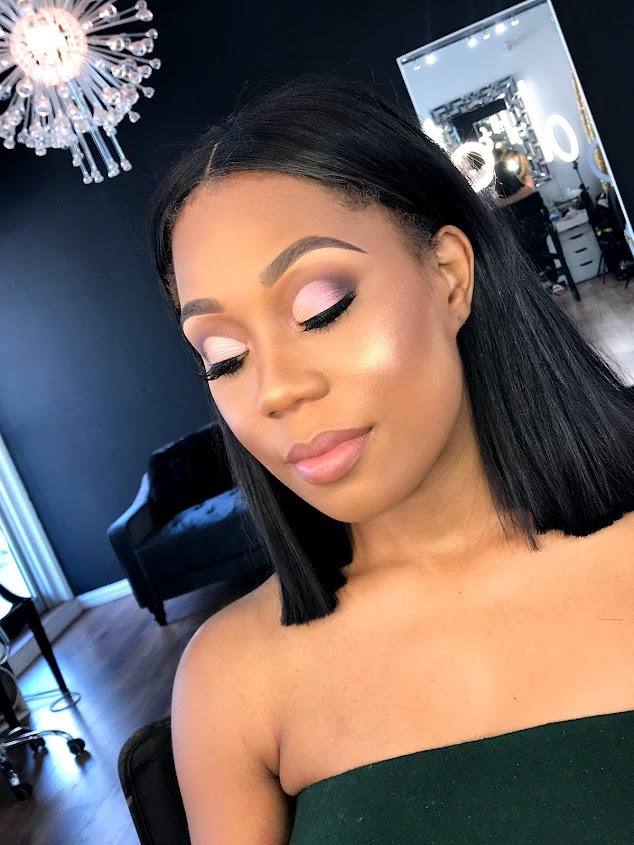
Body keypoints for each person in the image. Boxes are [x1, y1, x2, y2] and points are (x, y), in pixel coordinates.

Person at [150, 76, 634, 844]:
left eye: (321, 308)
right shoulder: (230, 680)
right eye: (224, 356)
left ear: (449, 275)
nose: (276, 389)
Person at [494, 150, 565, 294]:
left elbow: (529, 190)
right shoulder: (500, 185)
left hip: (533, 226)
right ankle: (541, 279)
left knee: (537, 243)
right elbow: (497, 201)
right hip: (519, 228)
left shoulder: (526, 178)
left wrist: (506, 202)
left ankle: (549, 278)